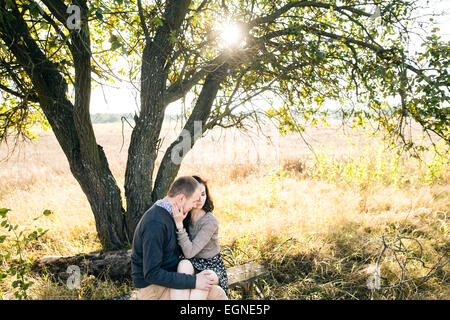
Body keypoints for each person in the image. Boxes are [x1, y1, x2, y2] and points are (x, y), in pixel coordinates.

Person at [130, 176, 226, 300]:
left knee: (217, 293)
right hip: (153, 289)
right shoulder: (155, 223)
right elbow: (151, 274)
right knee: (210, 293)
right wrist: (193, 281)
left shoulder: (174, 215)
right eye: (193, 202)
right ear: (181, 198)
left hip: (170, 277)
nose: (194, 206)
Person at [170, 175, 229, 300]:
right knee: (183, 265)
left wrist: (179, 225)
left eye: (203, 194)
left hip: (211, 265)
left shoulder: (210, 221)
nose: (200, 198)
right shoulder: (184, 215)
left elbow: (189, 252)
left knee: (203, 281)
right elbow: (187, 256)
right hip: (192, 262)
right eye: (197, 195)